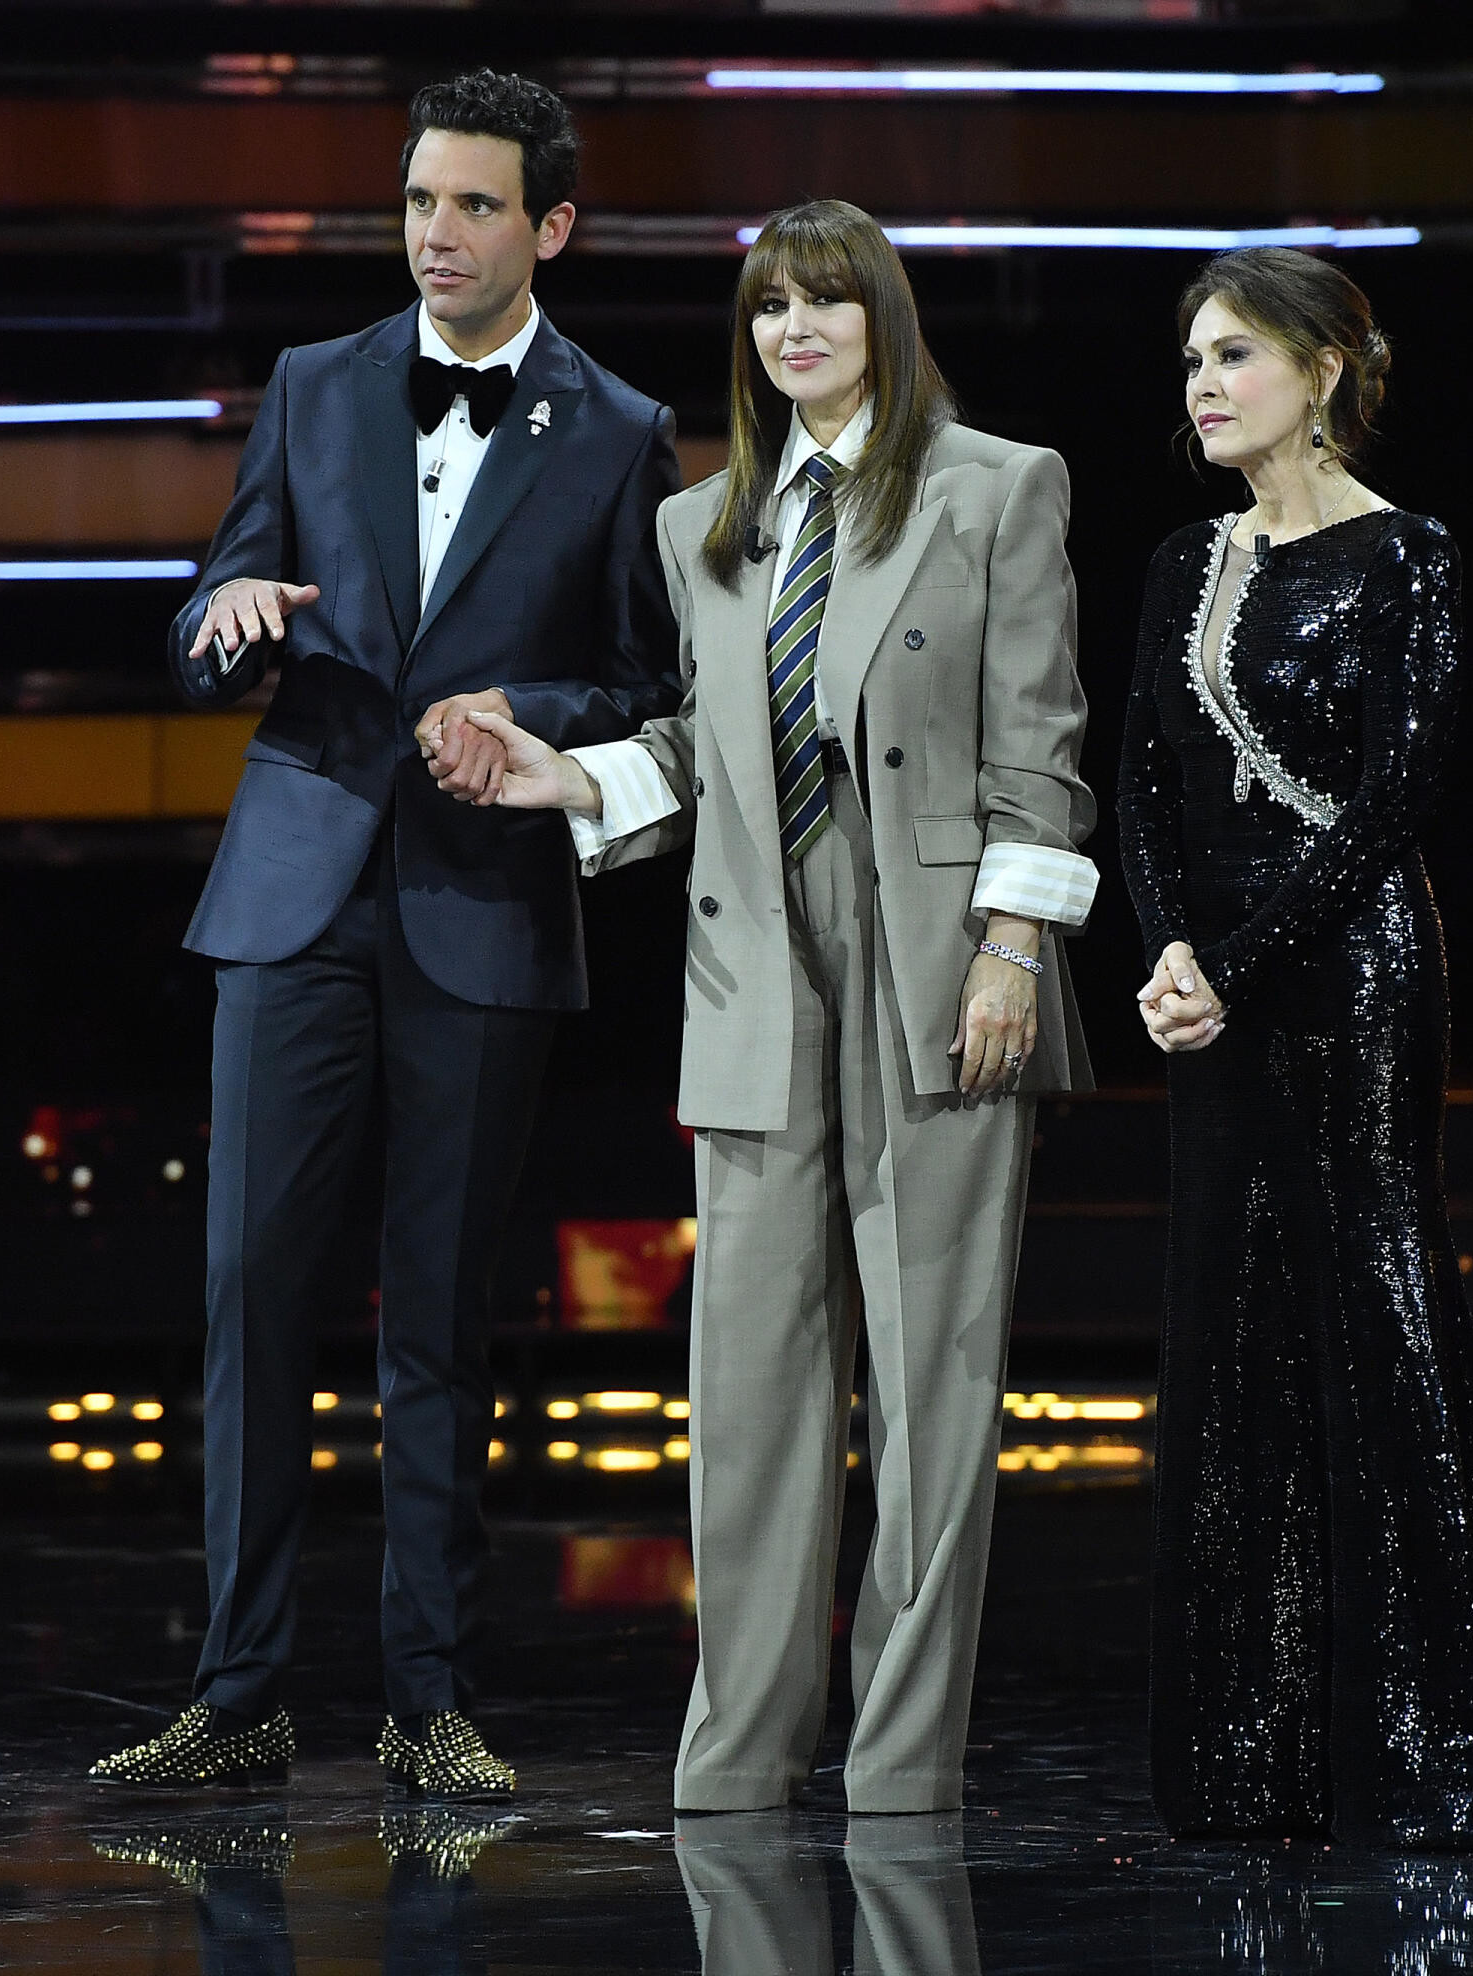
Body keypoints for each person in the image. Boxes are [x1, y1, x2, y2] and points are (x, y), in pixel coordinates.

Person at [450, 200, 1095, 1815]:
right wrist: (568, 777)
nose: (793, 331)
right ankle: (738, 1755)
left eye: (825, 302)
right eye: (767, 309)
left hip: (940, 971)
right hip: (755, 973)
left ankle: (901, 1765)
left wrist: (1014, 947)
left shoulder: (994, 488)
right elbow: (703, 752)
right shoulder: (708, 526)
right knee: (746, 1387)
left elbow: (1038, 746)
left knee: (933, 1385)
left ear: (883, 318)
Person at [89, 69, 682, 1796]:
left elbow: (647, 685)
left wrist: (526, 712)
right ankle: (237, 1693)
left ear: (549, 227)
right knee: (250, 1294)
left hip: (481, 906)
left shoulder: (622, 429)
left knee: (438, 1312)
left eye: (476, 205)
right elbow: (214, 608)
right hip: (294, 891)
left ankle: (431, 1699)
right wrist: (226, 615)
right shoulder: (313, 382)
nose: (437, 232)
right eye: (421, 200)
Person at [1117, 247, 1473, 1846]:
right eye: (1195, 357)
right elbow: (1142, 786)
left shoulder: (1408, 556)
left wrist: (1239, 963)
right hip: (1212, 988)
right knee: (1232, 1325)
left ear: (1324, 371)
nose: (1204, 383)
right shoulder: (1183, 562)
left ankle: (1438, 1745)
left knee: (1378, 1311)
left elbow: (1396, 796)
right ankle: (1251, 1756)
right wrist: (1171, 950)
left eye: (1237, 355)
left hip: (1352, 975)